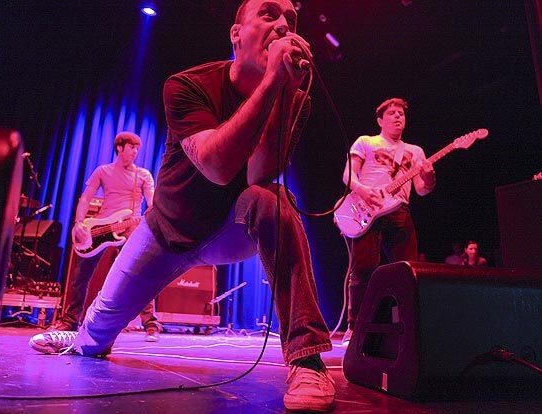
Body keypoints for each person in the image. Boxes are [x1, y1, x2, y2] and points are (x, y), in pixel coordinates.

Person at [29, 1, 335, 411]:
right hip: (165, 231)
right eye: (268, 14)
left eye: (291, 20)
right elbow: (216, 166)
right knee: (95, 341)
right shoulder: (187, 85)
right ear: (236, 34)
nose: (283, 25)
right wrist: (270, 86)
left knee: (273, 200)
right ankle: (79, 334)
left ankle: (307, 358)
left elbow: (260, 172)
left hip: (227, 229)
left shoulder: (294, 98)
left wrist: (282, 91)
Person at [341, 98, 436, 346]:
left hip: (399, 212)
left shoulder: (415, 152)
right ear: (380, 120)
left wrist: (430, 178)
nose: (397, 117)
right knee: (363, 270)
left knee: (407, 271)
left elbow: (422, 190)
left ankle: (406, 328)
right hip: (367, 210)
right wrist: (362, 191)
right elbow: (348, 175)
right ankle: (355, 327)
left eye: (401, 114)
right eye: (392, 113)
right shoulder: (366, 142)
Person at [52, 131, 162, 342]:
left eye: (138, 148)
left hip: (129, 228)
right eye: (132, 147)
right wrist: (78, 223)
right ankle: (69, 321)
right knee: (81, 275)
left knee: (140, 273)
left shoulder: (143, 175)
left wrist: (153, 209)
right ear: (120, 148)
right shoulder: (103, 171)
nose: (136, 152)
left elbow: (152, 201)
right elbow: (85, 198)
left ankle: (151, 324)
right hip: (100, 229)